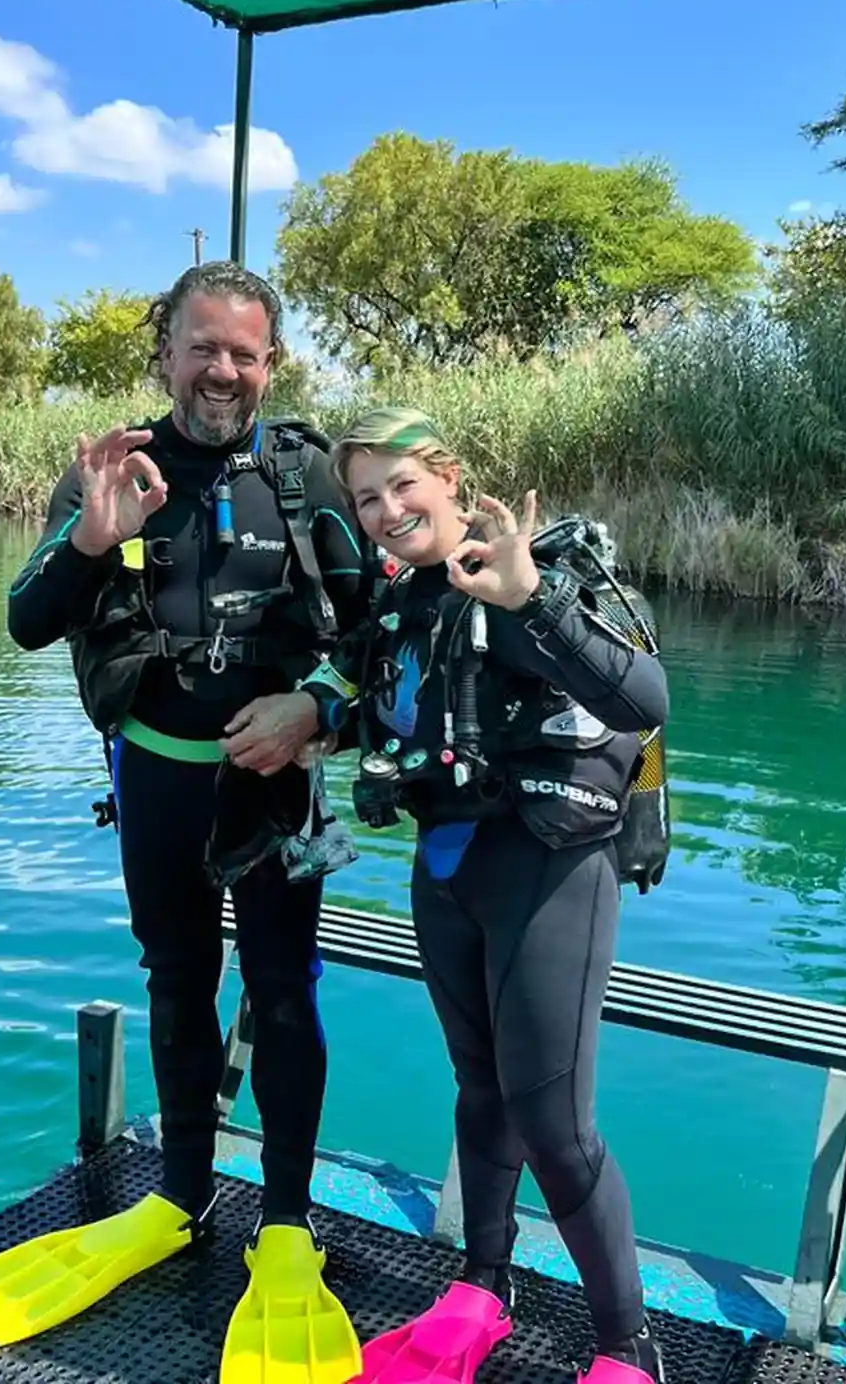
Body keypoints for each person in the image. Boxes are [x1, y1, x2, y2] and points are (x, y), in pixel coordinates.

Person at [0, 262, 375, 1374]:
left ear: (270, 364)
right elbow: (28, 621)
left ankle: (284, 1220)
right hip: (156, 782)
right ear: (165, 351)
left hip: (285, 788)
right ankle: (179, 1198)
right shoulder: (111, 469)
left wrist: (314, 708)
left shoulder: (309, 471)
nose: (224, 371)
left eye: (246, 352)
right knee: (175, 982)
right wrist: (90, 537)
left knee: (284, 989)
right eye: (203, 346)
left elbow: (386, 641)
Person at [292, 407, 672, 1384]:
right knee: (480, 1091)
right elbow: (384, 707)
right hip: (447, 869)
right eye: (366, 498)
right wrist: (300, 714)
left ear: (450, 478)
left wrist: (532, 597)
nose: (384, 510)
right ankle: (482, 1287)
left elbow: (645, 702)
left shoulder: (513, 575)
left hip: (549, 871)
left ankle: (630, 1351)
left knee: (556, 1123)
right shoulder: (400, 603)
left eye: (402, 486)